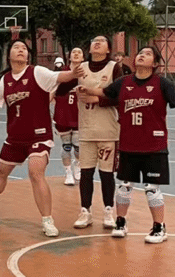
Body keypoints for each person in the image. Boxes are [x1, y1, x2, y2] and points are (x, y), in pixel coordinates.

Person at [0, 39, 82, 237]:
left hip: (39, 136)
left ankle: (47, 220)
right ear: (9, 55)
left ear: (28, 56)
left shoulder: (37, 73)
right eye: (16, 47)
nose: (21, 50)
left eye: (24, 48)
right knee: (0, 172)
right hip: (15, 136)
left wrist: (73, 73)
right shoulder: (6, 80)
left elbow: (59, 76)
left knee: (35, 172)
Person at [78, 45, 175, 244]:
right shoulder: (124, 82)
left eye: (147, 54)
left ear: (155, 63)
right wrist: (88, 89)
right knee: (124, 186)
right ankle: (121, 222)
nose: (141, 55)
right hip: (128, 144)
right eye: (140, 53)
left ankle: (159, 227)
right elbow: (104, 92)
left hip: (154, 145)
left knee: (151, 188)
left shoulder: (162, 83)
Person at [73, 35, 125, 230]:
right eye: (94, 40)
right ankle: (85, 211)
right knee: (86, 173)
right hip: (86, 129)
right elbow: (62, 88)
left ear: (108, 49)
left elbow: (122, 96)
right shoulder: (80, 68)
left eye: (102, 41)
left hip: (108, 130)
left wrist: (98, 99)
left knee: (106, 174)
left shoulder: (114, 67)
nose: (97, 42)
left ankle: (108, 210)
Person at [53, 49, 84, 186]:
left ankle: (77, 164)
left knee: (78, 146)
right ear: (69, 57)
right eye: (74, 52)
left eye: (79, 52)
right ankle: (68, 173)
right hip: (63, 115)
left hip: (79, 115)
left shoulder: (85, 74)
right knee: (66, 146)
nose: (76, 54)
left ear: (83, 57)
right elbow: (52, 91)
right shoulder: (62, 73)